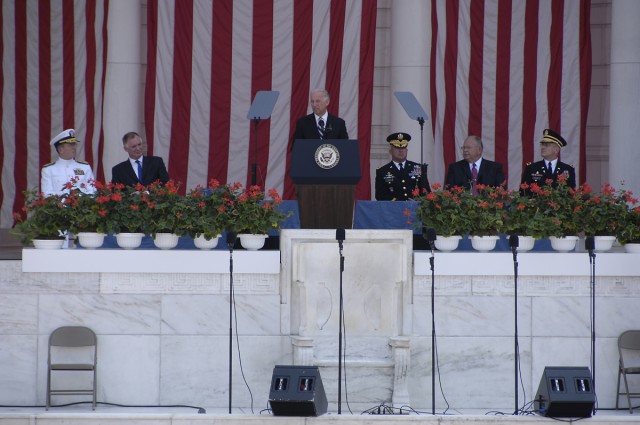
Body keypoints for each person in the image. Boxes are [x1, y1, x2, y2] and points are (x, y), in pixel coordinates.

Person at [375, 132, 430, 200]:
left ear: (407, 150)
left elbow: (426, 192)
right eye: (397, 148)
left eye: (403, 147)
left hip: (415, 209)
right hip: (393, 209)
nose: (401, 151)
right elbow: (380, 196)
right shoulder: (383, 171)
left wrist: (417, 202)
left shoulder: (418, 168)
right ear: (390, 151)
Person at [41, 129, 96, 196]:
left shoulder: (84, 167)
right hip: (59, 206)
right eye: (70, 145)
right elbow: (47, 194)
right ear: (61, 150)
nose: (74, 147)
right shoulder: (49, 170)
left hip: (82, 205)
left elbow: (92, 190)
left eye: (74, 144)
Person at [521, 129, 576, 194]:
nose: (543, 147)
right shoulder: (532, 168)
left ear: (556, 149)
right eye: (542, 145)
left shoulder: (567, 169)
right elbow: (523, 192)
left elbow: (571, 193)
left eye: (546, 145)